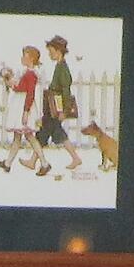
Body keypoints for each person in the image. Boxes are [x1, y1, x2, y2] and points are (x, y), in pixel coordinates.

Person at [38, 33, 85, 177]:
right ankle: (34, 161)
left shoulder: (63, 68)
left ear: (58, 51)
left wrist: (64, 111)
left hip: (57, 107)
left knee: (49, 131)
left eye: (51, 52)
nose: (50, 54)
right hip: (54, 107)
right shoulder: (59, 66)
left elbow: (66, 90)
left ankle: (75, 158)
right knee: (48, 131)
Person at [0, 47, 43, 174]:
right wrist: (12, 83)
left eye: (25, 56)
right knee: (18, 137)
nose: (22, 58)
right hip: (20, 107)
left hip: (24, 109)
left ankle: (44, 163)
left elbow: (30, 94)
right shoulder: (26, 72)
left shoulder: (31, 74)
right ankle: (8, 163)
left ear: (31, 58)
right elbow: (20, 87)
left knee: (29, 136)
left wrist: (26, 112)